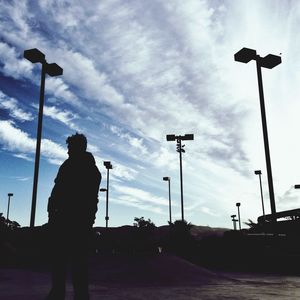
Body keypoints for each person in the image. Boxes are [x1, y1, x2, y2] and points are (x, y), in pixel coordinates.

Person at [46, 133, 101, 300]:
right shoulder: (69, 166)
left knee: (76, 266)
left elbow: (90, 200)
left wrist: (85, 221)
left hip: (75, 224)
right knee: (63, 265)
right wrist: (52, 212)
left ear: (78, 147)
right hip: (64, 222)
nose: (68, 151)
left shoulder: (85, 169)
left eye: (70, 148)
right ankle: (59, 294)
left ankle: (70, 295)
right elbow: (57, 192)